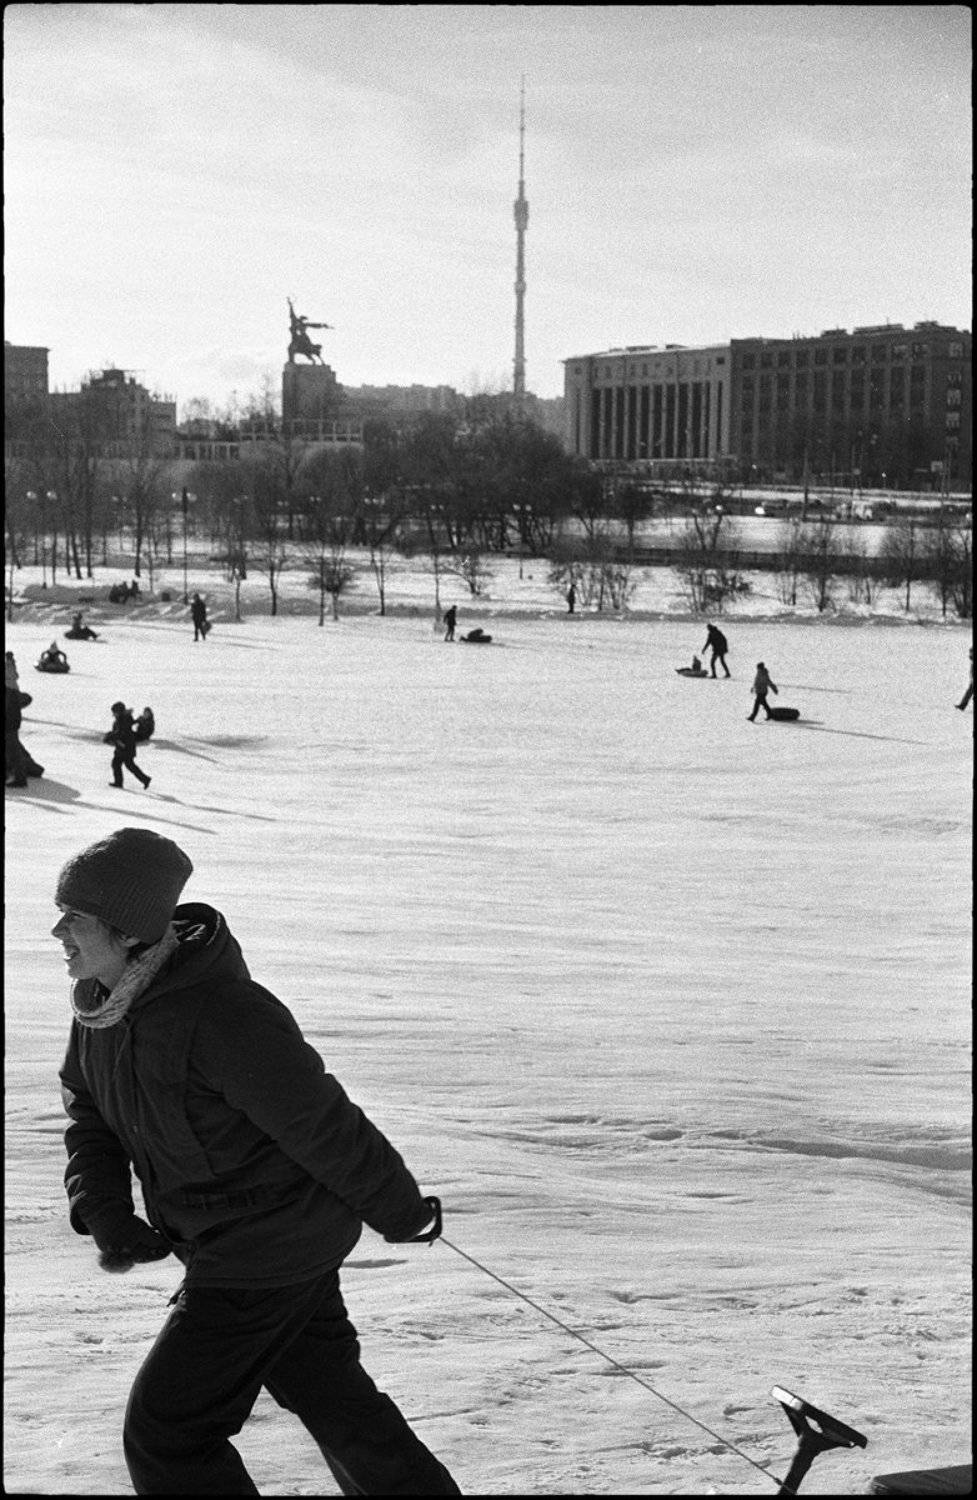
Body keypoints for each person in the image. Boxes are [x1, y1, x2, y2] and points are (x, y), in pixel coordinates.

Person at [53, 827, 461, 1496]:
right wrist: (104, 1208)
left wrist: (400, 1210)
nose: (58, 930)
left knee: (169, 1433)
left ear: (127, 931)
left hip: (269, 1247)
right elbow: (89, 1113)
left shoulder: (224, 1016)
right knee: (336, 1402)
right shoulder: (100, 1009)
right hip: (232, 1241)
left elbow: (324, 1126)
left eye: (76, 915)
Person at [105, 701, 151, 789]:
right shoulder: (123, 718)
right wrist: (111, 735)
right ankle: (144, 779)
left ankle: (120, 782)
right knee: (126, 765)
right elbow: (119, 732)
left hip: (125, 747)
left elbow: (121, 732)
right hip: (124, 746)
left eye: (114, 712)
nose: (113, 714)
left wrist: (110, 736)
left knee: (119, 764)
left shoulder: (123, 720)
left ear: (119, 711)